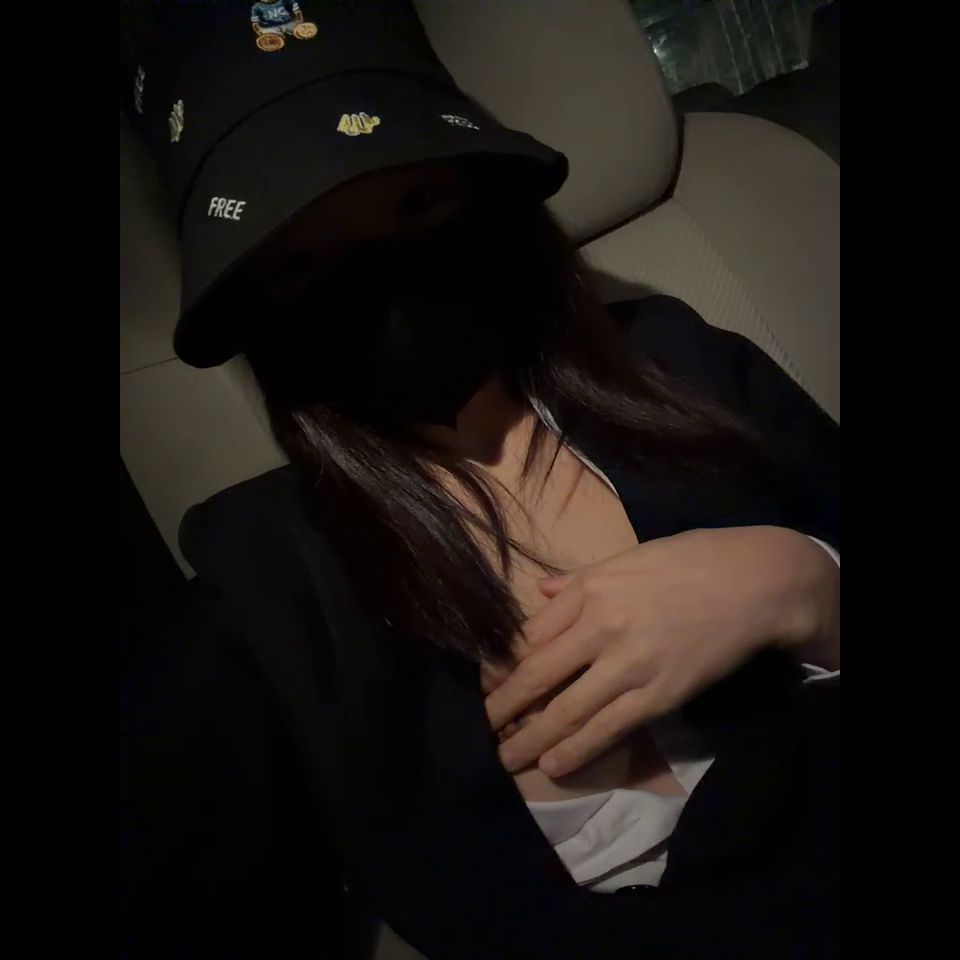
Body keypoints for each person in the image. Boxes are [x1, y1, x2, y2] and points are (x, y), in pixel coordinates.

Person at [121, 4, 839, 958]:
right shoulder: (265, 587)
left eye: (420, 203)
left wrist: (804, 584)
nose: (388, 284)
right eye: (300, 262)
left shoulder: (685, 366)